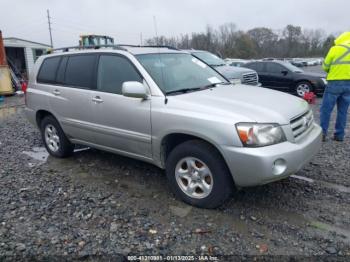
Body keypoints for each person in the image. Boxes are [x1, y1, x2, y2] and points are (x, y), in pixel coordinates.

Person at [320, 32, 350, 142]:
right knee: (343, 111)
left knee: (326, 110)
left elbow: (325, 66)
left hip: (334, 83)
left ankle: (322, 134)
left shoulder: (335, 49)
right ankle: (339, 136)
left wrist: (331, 70)